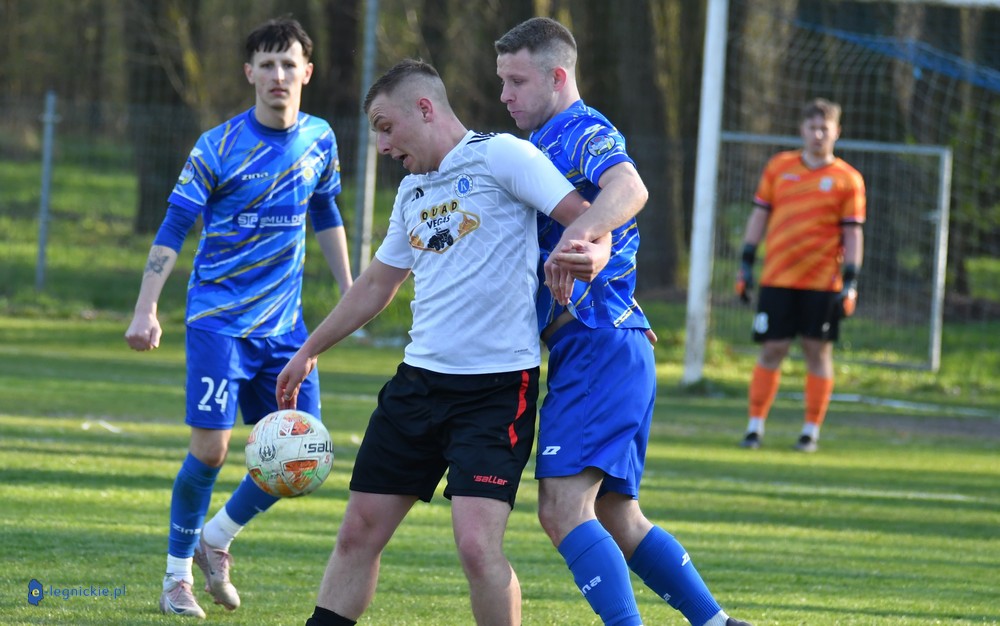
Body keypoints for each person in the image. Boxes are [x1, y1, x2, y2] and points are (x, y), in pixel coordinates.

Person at [276, 59, 605, 626]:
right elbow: (376, 285)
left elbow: (587, 218)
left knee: (477, 547)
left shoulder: (502, 156)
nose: (382, 145)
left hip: (496, 392)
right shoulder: (411, 192)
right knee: (357, 532)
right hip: (418, 385)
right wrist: (310, 349)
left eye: (386, 127)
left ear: (425, 109)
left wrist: (594, 256)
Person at [495, 16, 753, 626]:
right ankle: (717, 623)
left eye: (517, 81)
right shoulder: (538, 145)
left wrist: (580, 236)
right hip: (611, 345)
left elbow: (630, 187)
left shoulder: (581, 129)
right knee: (616, 514)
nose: (505, 95)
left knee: (563, 509)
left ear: (558, 77)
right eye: (501, 81)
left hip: (598, 347)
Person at [124, 16, 353, 618]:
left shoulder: (320, 138)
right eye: (267, 64)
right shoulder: (217, 146)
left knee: (303, 455)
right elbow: (174, 226)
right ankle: (176, 578)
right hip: (219, 323)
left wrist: (351, 292)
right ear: (249, 72)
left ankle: (217, 537)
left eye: (289, 64)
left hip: (285, 331)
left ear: (307, 72)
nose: (278, 75)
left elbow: (326, 211)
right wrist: (146, 307)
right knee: (210, 452)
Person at [735, 98, 866, 453]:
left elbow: (853, 233)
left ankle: (810, 431)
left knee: (817, 352)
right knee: (772, 348)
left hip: (823, 282)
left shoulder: (848, 179)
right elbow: (759, 215)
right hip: (777, 277)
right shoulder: (779, 167)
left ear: (837, 132)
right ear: (802, 130)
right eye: (812, 127)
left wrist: (851, 282)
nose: (818, 134)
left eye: (825, 128)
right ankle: (754, 427)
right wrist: (746, 263)